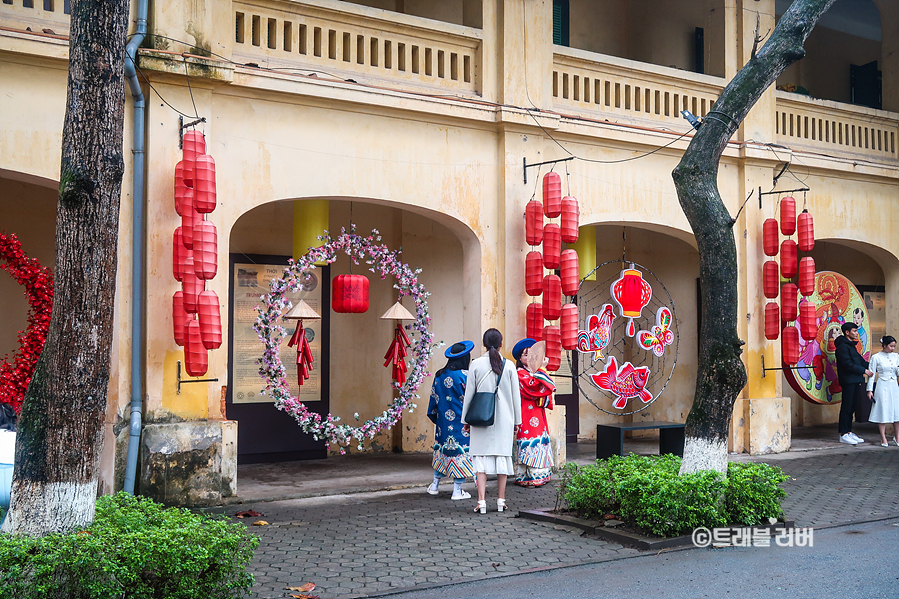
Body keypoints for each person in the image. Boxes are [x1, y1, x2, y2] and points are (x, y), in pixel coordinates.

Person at [461, 328, 522, 514]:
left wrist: (466, 420)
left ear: (484, 344)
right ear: (501, 343)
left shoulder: (476, 365)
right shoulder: (509, 365)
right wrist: (517, 421)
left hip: (481, 418)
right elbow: (515, 396)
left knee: (481, 461)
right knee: (502, 459)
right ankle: (501, 501)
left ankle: (482, 502)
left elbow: (469, 394)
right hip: (504, 419)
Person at [426, 341, 475, 500]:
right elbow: (472, 399)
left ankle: (434, 485)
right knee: (460, 453)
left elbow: (433, 400)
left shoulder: (439, 375)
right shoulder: (465, 376)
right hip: (462, 424)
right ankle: (457, 490)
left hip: (443, 424)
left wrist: (438, 418)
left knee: (442, 452)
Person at [511, 338, 556, 488]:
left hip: (537, 413)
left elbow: (543, 388)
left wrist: (541, 371)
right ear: (519, 359)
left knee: (538, 439)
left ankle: (538, 474)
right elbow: (534, 387)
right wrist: (542, 370)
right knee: (529, 440)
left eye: (531, 354)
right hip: (526, 414)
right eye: (525, 355)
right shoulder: (520, 373)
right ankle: (527, 475)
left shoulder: (534, 372)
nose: (529, 357)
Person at [834, 322, 873, 445]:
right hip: (848, 381)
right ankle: (843, 434)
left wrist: (874, 367)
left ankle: (849, 431)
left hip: (856, 380)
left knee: (852, 407)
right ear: (847, 332)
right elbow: (847, 365)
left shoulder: (851, 346)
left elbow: (860, 361)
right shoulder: (842, 347)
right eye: (854, 331)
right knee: (847, 407)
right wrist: (864, 371)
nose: (857, 333)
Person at [866, 335, 899, 447]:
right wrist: (869, 390)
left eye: (894, 346)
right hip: (882, 385)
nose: (892, 348)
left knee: (896, 411)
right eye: (890, 346)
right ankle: (883, 438)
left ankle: (897, 437)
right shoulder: (876, 357)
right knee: (883, 410)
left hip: (894, 385)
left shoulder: (896, 356)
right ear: (884, 345)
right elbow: (871, 374)